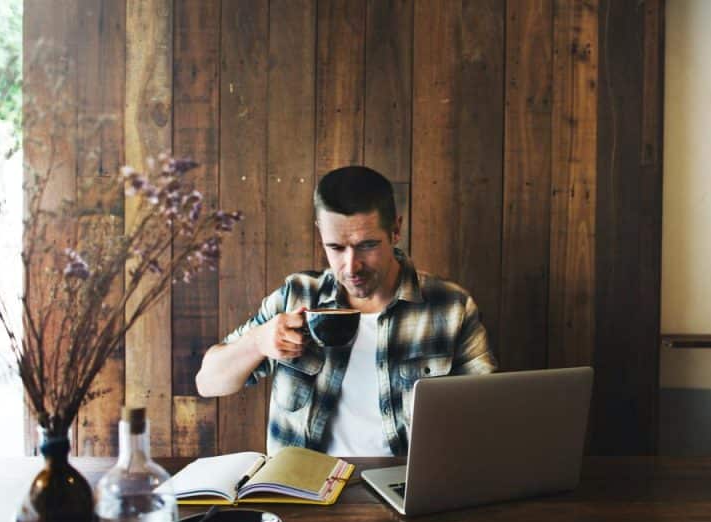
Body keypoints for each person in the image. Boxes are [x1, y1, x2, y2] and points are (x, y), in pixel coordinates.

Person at [196, 166, 496, 456]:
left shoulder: (451, 306)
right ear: (320, 233)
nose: (351, 266)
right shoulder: (296, 295)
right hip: (303, 492)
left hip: (406, 488)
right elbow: (208, 382)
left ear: (395, 230)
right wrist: (258, 342)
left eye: (367, 245)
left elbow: (487, 413)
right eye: (336, 247)